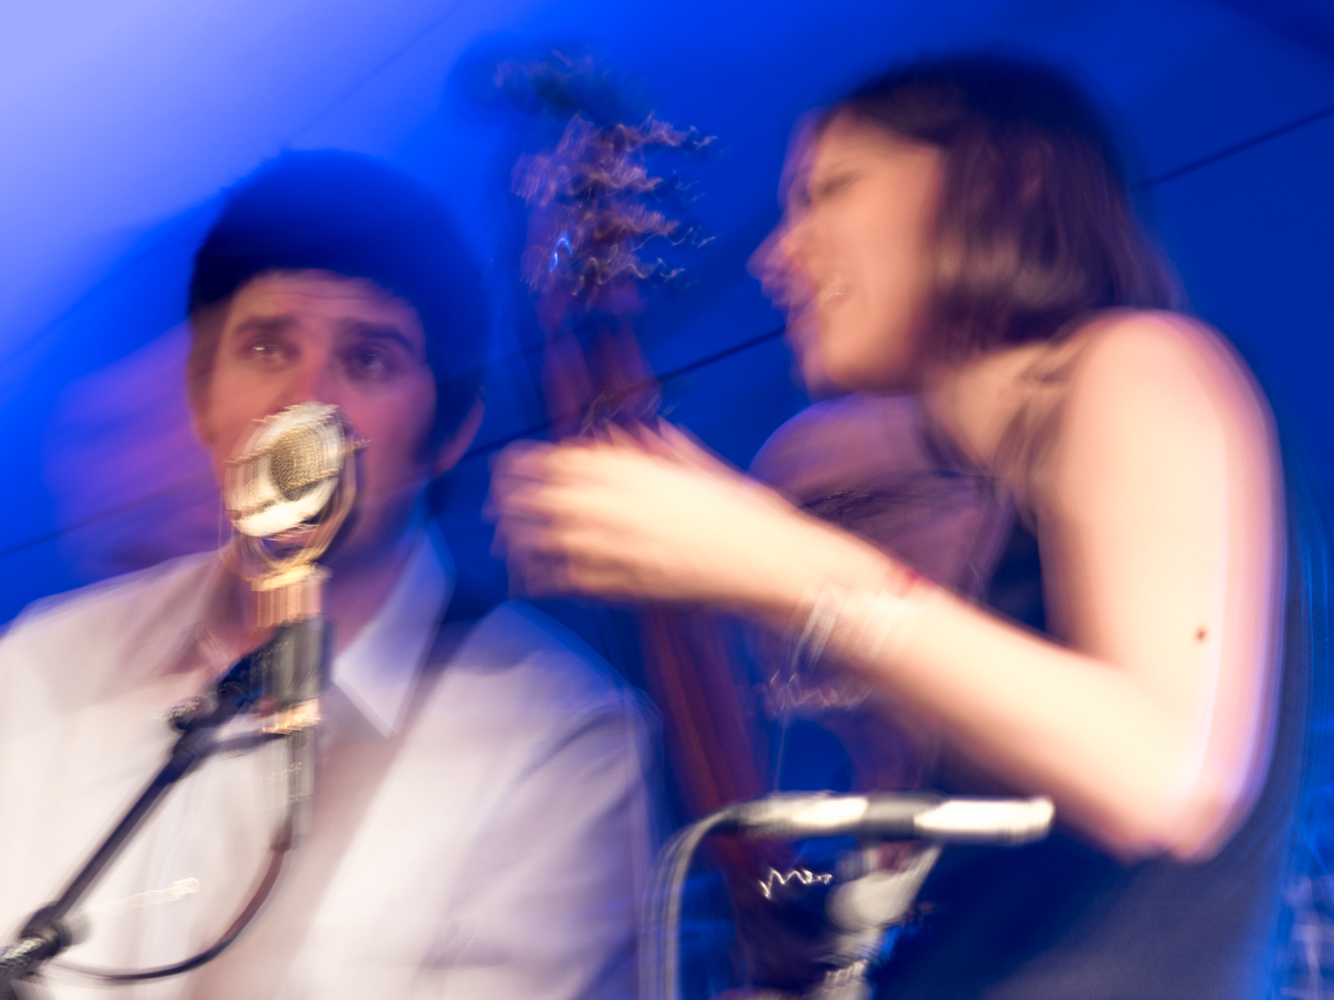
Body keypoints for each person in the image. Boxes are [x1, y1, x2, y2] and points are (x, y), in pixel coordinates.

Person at [492, 55, 1320, 997]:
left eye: (830, 190)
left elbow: (1163, 775)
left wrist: (773, 560)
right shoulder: (1004, 502)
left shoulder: (1140, 360)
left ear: (1006, 183)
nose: (775, 258)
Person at [0, 151, 653, 999]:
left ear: (448, 435)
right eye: (265, 348)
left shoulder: (556, 737)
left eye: (368, 360)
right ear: (202, 397)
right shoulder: (54, 663)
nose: (304, 407)